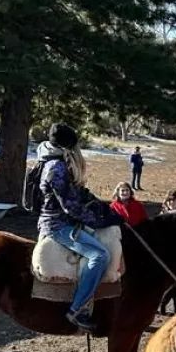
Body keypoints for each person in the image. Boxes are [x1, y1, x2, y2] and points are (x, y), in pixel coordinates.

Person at [36, 123, 123, 332]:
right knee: (99, 255)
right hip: (57, 225)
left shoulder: (56, 161)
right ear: (68, 146)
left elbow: (77, 194)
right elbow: (70, 207)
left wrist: (101, 206)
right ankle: (77, 309)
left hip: (65, 220)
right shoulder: (56, 168)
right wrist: (99, 220)